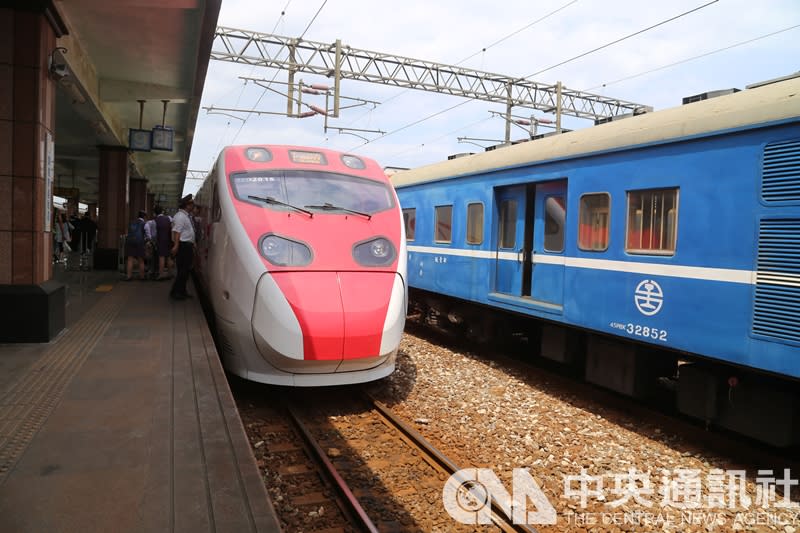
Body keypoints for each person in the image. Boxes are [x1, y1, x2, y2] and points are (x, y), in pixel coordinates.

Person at [170, 195, 195, 300]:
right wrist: (176, 246)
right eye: (191, 204)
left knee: (185, 270)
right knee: (183, 270)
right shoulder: (180, 216)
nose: (193, 206)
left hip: (187, 246)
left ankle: (182, 291)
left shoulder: (185, 216)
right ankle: (176, 293)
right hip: (183, 246)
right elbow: (177, 232)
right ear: (187, 205)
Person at [124, 210, 147, 281]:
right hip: (139, 242)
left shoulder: (132, 222)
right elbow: (147, 234)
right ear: (144, 217)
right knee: (141, 259)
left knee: (130, 259)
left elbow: (128, 232)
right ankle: (142, 276)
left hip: (130, 241)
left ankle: (129, 276)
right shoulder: (144, 224)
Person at [154, 205, 173, 280]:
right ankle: (170, 273)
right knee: (168, 257)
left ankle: (161, 274)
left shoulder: (155, 220)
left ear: (155, 213)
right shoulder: (169, 218)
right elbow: (172, 227)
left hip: (160, 240)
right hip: (168, 240)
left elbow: (154, 233)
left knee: (161, 257)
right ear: (162, 211)